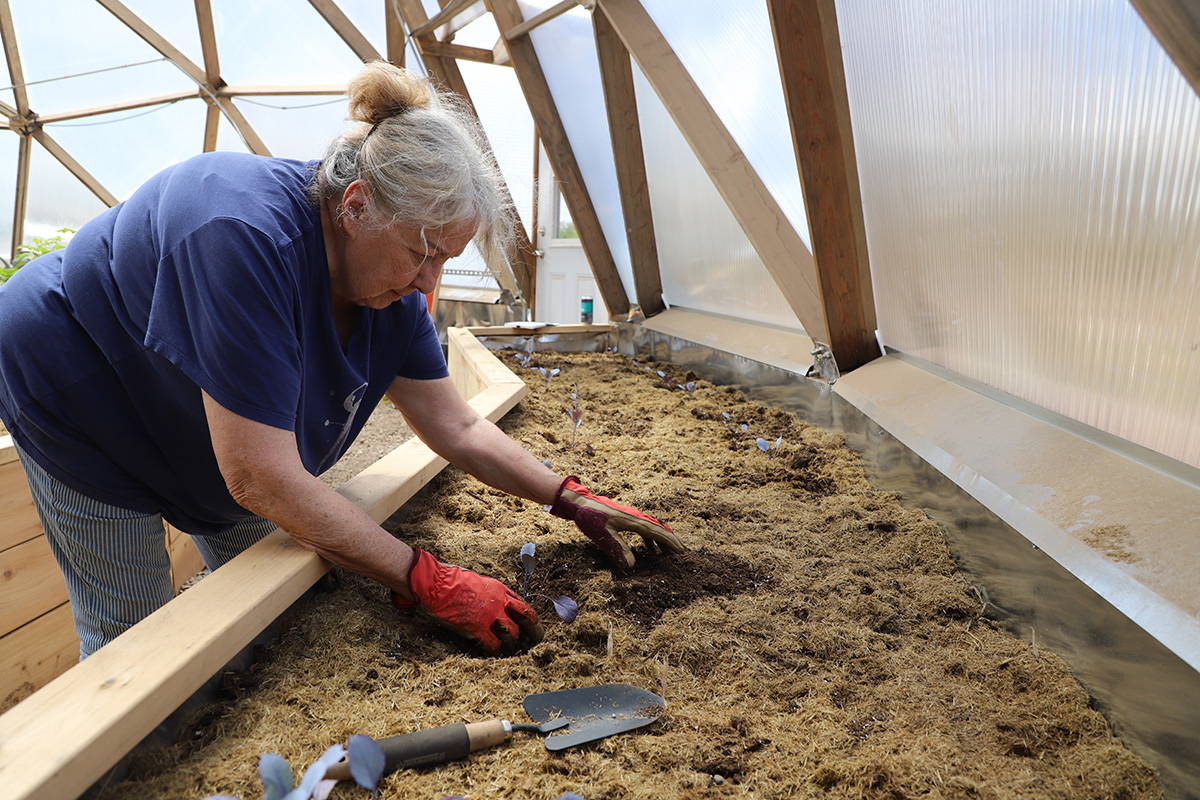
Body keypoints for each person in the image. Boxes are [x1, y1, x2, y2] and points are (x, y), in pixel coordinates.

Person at [0, 61, 684, 660]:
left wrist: (567, 498)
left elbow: (458, 427)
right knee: (134, 633)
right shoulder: (239, 235)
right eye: (422, 252)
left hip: (189, 409)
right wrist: (429, 580)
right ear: (355, 206)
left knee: (276, 603)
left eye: (446, 259)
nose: (430, 286)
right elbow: (259, 478)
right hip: (78, 386)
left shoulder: (391, 295)